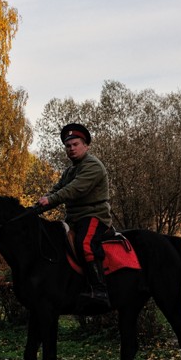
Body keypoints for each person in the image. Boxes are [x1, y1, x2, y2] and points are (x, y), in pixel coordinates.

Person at [37, 122, 113, 308]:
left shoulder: (93, 166)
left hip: (94, 216)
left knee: (84, 243)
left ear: (86, 145)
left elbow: (73, 190)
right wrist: (36, 207)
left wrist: (51, 200)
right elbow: (56, 190)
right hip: (73, 219)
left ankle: (99, 289)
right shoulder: (69, 171)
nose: (71, 148)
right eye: (68, 146)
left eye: (75, 144)